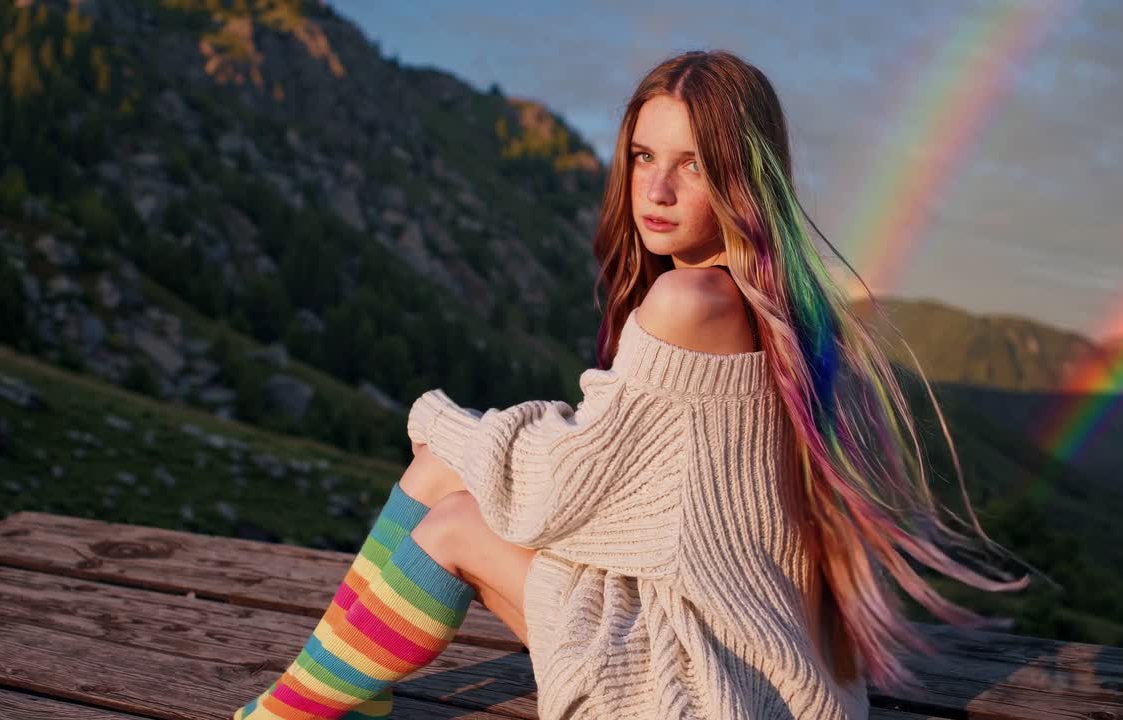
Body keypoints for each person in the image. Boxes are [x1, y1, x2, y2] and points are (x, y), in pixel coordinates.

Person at [231, 49, 1033, 720]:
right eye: (645, 157)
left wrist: (440, 419)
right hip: (782, 679)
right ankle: (345, 697)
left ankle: (287, 714)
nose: (656, 190)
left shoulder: (688, 301)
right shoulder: (789, 311)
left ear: (743, 175)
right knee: (452, 472)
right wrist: (463, 441)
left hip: (702, 691)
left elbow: (563, 487)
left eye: (694, 164)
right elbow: (626, 479)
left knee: (449, 523)